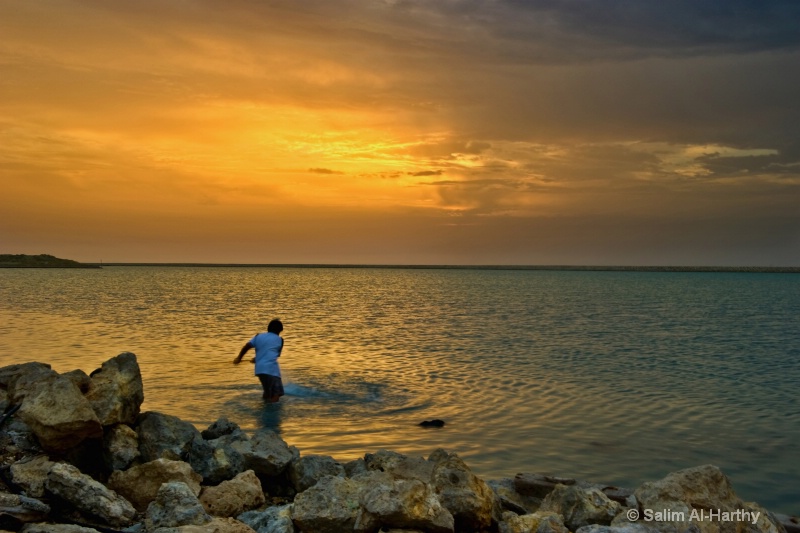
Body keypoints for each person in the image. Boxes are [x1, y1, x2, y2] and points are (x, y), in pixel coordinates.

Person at [234, 318, 285, 402]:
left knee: (267, 392)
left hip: (259, 370)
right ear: (279, 330)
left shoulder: (258, 336)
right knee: (276, 394)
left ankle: (264, 408)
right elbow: (275, 355)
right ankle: (270, 413)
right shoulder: (280, 340)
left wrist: (239, 358)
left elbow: (247, 346)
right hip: (272, 370)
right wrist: (257, 359)